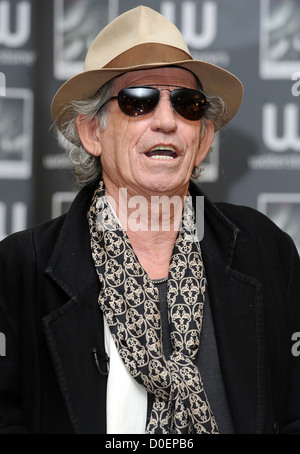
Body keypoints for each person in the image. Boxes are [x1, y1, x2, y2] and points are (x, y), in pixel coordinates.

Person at [0, 6, 299, 435]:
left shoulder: (265, 250)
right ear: (92, 132)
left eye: (187, 104)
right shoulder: (18, 270)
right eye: (137, 101)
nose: (165, 121)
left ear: (203, 140)